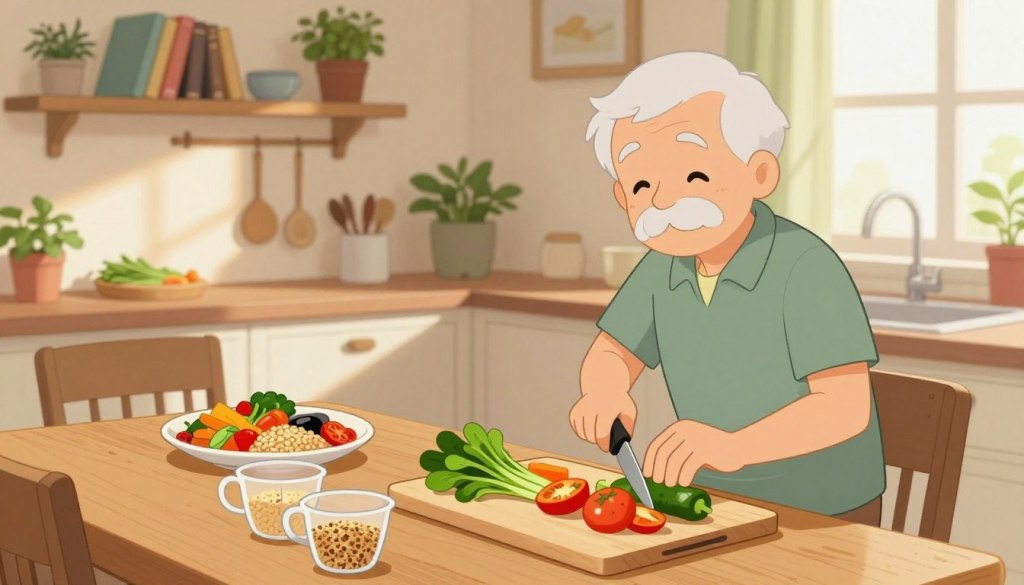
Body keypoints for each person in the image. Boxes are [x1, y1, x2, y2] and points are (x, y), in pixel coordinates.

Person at [569, 51, 884, 521]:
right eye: (640, 186)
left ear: (760, 174)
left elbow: (844, 406)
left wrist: (734, 447)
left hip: (823, 511)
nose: (664, 199)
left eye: (694, 175)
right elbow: (612, 352)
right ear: (622, 197)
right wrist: (605, 392)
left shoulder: (806, 267)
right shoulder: (663, 266)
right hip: (711, 502)